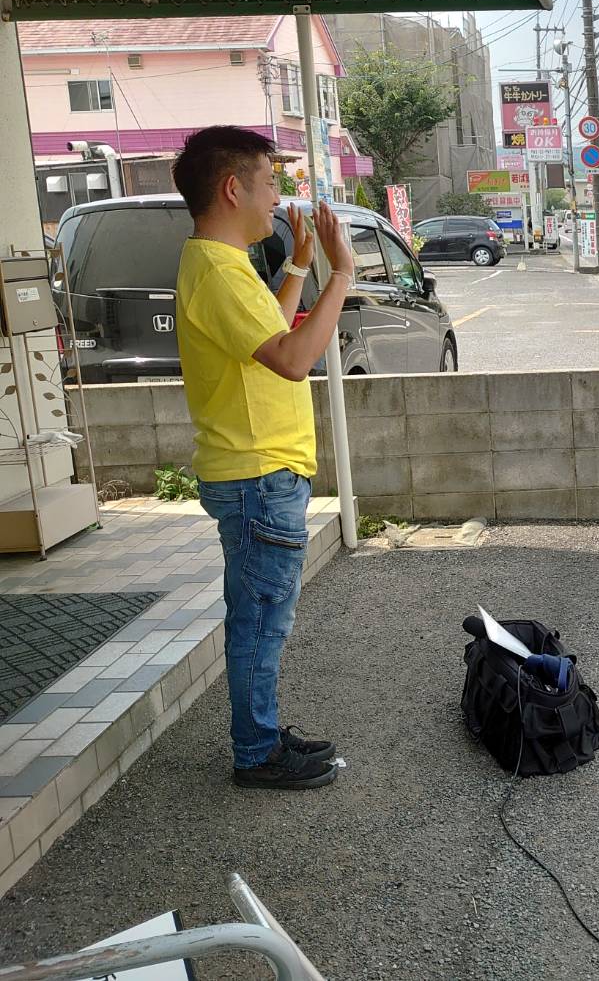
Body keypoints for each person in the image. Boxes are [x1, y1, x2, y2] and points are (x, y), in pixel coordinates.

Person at [172, 126, 354, 790]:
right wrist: (344, 273)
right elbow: (293, 359)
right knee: (260, 624)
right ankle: (256, 752)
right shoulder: (218, 269)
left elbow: (269, 336)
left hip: (256, 474)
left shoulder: (216, 263)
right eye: (270, 181)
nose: (277, 197)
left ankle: (262, 734)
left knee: (259, 617)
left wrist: (301, 265)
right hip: (256, 476)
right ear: (232, 187)